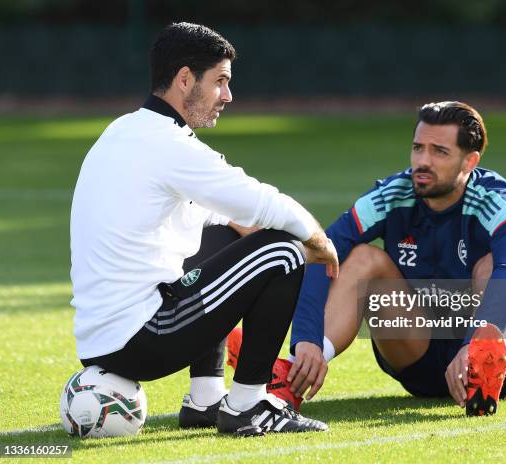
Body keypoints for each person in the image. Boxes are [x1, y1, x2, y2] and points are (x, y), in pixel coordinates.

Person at [69, 22, 338, 435]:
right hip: (141, 337)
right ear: (184, 79)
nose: (227, 96)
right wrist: (320, 243)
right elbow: (264, 202)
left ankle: (206, 400)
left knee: (227, 234)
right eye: (220, 82)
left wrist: (231, 221)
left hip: (101, 341)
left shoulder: (124, 130)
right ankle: (248, 405)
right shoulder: (170, 144)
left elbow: (200, 213)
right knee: (283, 250)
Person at [229, 101, 506, 416]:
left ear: (469, 162)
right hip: (419, 355)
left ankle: (484, 365)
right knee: (363, 258)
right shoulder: (393, 194)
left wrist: (475, 342)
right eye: (418, 148)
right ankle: (296, 373)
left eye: (440, 152)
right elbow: (320, 252)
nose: (423, 161)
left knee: (495, 266)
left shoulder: (495, 200)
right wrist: (306, 340)